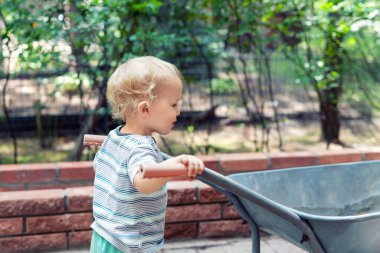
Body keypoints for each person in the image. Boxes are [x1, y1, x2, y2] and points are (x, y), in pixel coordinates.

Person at [90, 56, 205, 253]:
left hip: (104, 233)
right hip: (127, 244)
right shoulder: (140, 147)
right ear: (145, 109)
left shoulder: (115, 137)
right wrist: (177, 167)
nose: (178, 111)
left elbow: (101, 166)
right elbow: (143, 182)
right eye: (173, 104)